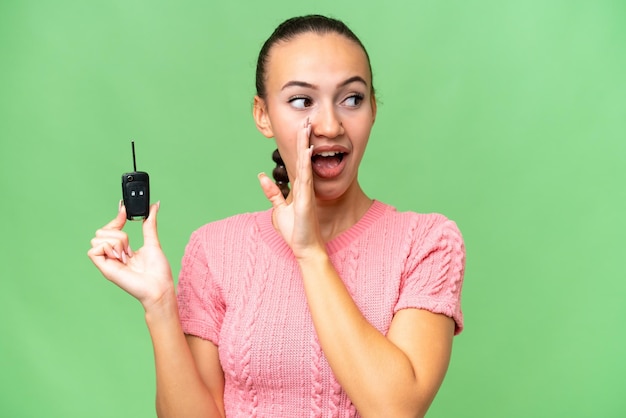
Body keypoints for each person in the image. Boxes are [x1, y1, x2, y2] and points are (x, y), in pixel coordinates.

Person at [88, 14, 465, 418]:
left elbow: (396, 409)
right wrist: (160, 307)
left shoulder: (427, 242)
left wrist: (309, 252)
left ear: (374, 107)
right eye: (302, 101)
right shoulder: (214, 249)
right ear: (263, 115)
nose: (329, 125)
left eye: (352, 98)